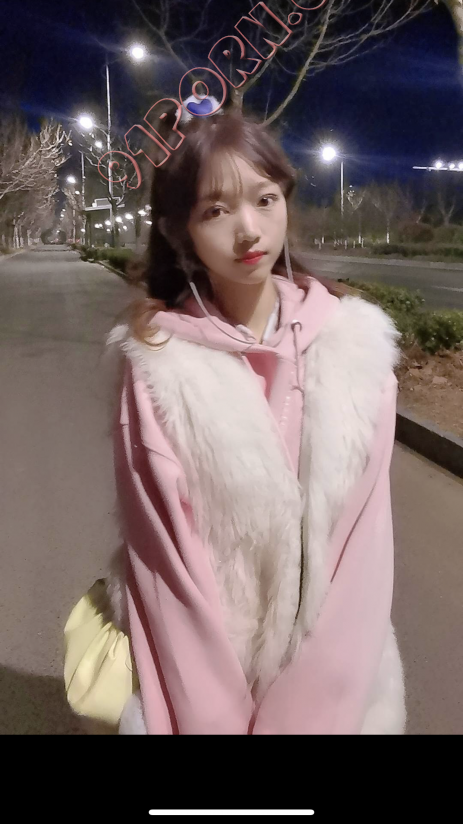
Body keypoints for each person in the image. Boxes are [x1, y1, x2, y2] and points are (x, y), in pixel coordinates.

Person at [103, 107, 406, 735]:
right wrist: (215, 719)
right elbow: (166, 567)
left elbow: (363, 553)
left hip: (338, 691)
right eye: (216, 210)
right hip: (201, 692)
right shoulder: (160, 367)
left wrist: (310, 714)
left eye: (265, 200)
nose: (249, 230)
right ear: (179, 231)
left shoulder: (353, 351)